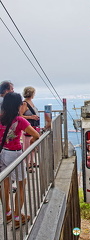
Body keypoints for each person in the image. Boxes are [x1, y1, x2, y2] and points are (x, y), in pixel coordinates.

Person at [0, 92, 39, 229]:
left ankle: (7, 213)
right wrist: (31, 144)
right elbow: (36, 135)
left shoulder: (0, 118)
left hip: (1, 153)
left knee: (5, 183)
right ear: (18, 105)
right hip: (14, 154)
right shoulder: (19, 120)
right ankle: (17, 217)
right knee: (21, 184)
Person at [19, 86, 40, 172]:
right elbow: (20, 116)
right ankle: (27, 165)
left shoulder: (30, 102)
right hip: (28, 127)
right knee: (28, 146)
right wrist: (31, 117)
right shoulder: (24, 103)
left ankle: (32, 161)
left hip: (33, 126)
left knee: (33, 144)